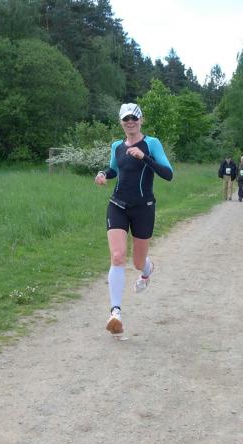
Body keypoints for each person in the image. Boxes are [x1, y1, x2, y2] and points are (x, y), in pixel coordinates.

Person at [94, 103, 173, 335]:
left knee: (138, 262)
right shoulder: (116, 146)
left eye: (134, 118)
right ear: (121, 122)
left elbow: (168, 174)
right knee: (118, 256)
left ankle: (147, 270)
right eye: (125, 119)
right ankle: (115, 312)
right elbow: (114, 169)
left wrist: (144, 157)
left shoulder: (152, 144)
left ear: (141, 120)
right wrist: (103, 174)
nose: (130, 122)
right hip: (118, 204)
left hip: (143, 208)